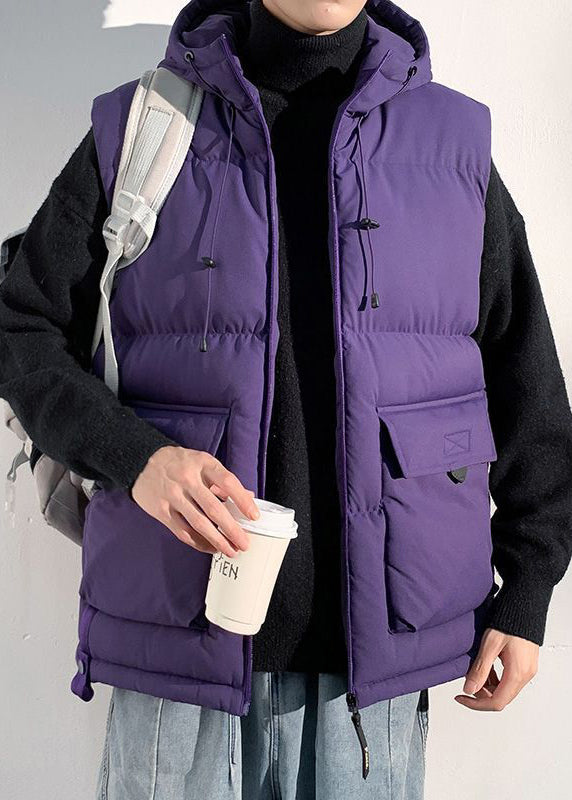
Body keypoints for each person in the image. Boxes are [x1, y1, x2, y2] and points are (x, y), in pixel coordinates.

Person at [1, 0, 571, 797]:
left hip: (371, 676)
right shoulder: (145, 127)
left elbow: (525, 378)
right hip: (175, 656)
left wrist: (529, 587)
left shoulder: (452, 144)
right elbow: (19, 328)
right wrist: (138, 459)